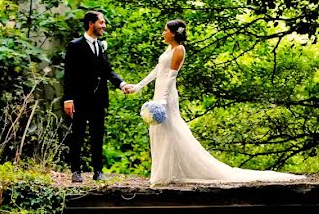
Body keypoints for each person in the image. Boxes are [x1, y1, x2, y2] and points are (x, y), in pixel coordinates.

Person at [128, 20, 304, 186]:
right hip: (159, 92)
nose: (163, 33)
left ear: (173, 34)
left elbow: (171, 76)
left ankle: (170, 173)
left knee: (171, 129)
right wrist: (138, 86)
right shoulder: (168, 49)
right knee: (159, 131)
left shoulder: (179, 50)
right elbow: (158, 71)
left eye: (165, 30)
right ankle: (162, 172)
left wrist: (163, 101)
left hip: (167, 95)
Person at [63, 11, 132, 182]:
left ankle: (98, 171)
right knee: (77, 134)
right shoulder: (75, 45)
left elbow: (106, 70)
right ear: (90, 24)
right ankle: (76, 171)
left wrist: (122, 84)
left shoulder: (100, 45)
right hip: (79, 98)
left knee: (97, 135)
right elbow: (69, 74)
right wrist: (68, 99)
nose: (104, 26)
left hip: (98, 99)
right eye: (101, 22)